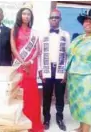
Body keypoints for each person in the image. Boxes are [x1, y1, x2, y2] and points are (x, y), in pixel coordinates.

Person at [10, 3, 43, 132]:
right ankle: (19, 123)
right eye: (24, 13)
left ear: (31, 16)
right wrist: (22, 61)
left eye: (28, 14)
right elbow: (13, 48)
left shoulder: (34, 33)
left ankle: (32, 122)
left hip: (31, 65)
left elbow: (37, 49)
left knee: (31, 94)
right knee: (19, 93)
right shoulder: (14, 30)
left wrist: (29, 61)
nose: (26, 16)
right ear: (20, 15)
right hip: (18, 65)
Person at [38, 9, 70, 131]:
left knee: (60, 96)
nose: (54, 20)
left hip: (60, 69)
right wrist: (40, 70)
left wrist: (66, 71)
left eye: (56, 18)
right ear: (49, 19)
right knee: (46, 96)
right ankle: (46, 118)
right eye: (52, 17)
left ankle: (60, 118)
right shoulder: (43, 35)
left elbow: (68, 54)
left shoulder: (66, 35)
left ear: (60, 19)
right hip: (47, 69)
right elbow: (40, 54)